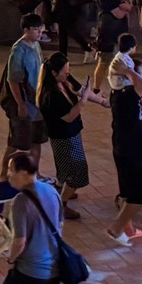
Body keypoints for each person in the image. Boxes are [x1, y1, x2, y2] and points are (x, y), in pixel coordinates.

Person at [38, 50, 105, 220]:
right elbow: (68, 117)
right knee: (76, 171)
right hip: (63, 137)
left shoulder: (64, 80)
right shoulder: (50, 95)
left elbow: (81, 89)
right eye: (65, 72)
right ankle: (62, 203)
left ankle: (65, 191)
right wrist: (83, 101)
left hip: (71, 134)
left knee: (66, 168)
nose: (68, 74)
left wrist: (103, 101)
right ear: (54, 73)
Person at [106, 39, 142, 246]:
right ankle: (116, 229)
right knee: (139, 195)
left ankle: (128, 228)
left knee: (127, 191)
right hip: (131, 149)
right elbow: (140, 85)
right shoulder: (128, 95)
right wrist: (128, 71)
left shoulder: (119, 94)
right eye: (141, 75)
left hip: (122, 147)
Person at [4, 151, 66, 284]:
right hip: (53, 269)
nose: (8, 174)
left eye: (11, 170)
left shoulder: (21, 201)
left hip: (30, 272)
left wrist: (11, 259)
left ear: (23, 173)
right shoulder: (51, 190)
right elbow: (60, 223)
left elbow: (20, 241)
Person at [3, 14, 48, 167]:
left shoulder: (36, 44)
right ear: (26, 30)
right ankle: (4, 173)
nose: (40, 33)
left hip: (37, 101)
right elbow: (13, 80)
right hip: (26, 103)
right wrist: (21, 104)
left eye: (41, 29)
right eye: (36, 30)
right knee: (18, 142)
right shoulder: (18, 50)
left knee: (37, 140)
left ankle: (35, 173)